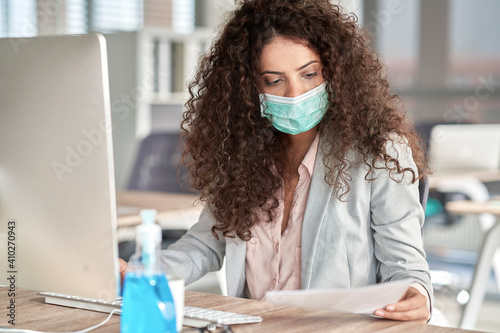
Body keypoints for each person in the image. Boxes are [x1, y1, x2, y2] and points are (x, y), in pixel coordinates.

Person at [120, 0, 433, 322]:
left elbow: (406, 267)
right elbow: (205, 244)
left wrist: (416, 295)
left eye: (309, 74)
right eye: (274, 80)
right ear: (248, 87)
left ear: (336, 72)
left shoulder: (379, 153)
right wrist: (139, 273)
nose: (295, 94)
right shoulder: (241, 154)